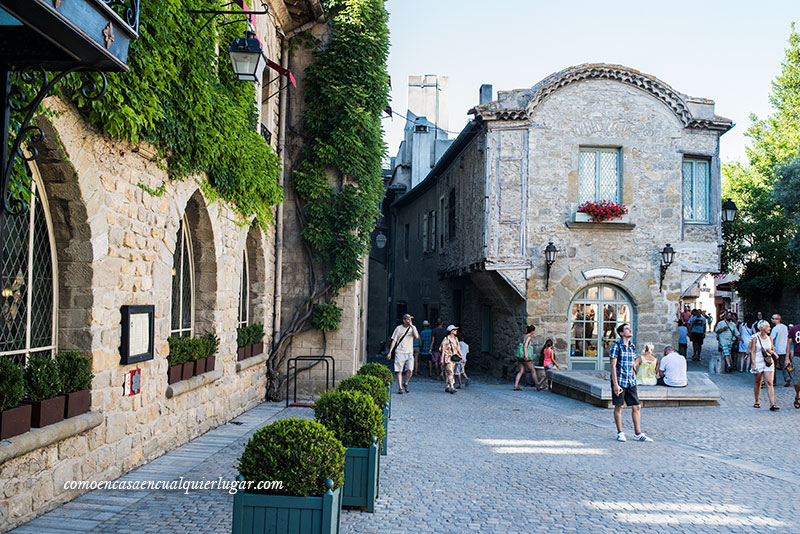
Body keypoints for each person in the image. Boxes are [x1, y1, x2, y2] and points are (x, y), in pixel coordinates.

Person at [609, 323, 653, 442]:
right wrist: (615, 384)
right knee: (619, 406)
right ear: (622, 333)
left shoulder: (632, 347)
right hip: (620, 380)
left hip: (630, 381)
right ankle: (620, 432)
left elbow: (633, 364)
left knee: (637, 406)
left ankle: (637, 433)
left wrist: (634, 376)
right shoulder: (616, 346)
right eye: (627, 329)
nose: (630, 330)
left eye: (629, 328)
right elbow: (613, 366)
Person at [750, 320, 779, 411]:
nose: (770, 328)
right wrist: (753, 363)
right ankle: (757, 401)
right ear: (762, 328)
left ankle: (772, 404)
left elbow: (771, 349)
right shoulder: (755, 338)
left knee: (769, 382)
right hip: (758, 361)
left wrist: (772, 352)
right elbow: (753, 351)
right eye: (768, 327)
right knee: (758, 382)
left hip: (768, 362)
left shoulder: (770, 339)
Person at [386, 314, 419, 394]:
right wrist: (390, 352)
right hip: (400, 352)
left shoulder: (413, 328)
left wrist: (412, 326)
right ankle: (400, 388)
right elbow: (394, 340)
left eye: (410, 319)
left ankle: (406, 382)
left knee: (410, 370)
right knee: (399, 370)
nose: (409, 320)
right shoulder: (398, 329)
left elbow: (416, 336)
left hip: (409, 352)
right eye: (408, 319)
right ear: (404, 320)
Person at [513, 325, 546, 391]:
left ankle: (516, 385)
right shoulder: (528, 337)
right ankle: (537, 385)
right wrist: (526, 356)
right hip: (525, 356)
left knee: (521, 371)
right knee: (533, 370)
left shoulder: (523, 336)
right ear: (533, 331)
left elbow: (521, 344)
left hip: (520, 355)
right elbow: (525, 346)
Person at [769, 314, 793, 387]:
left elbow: (771, 339)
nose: (771, 319)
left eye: (773, 318)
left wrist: (771, 348)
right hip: (784, 349)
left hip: (776, 349)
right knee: (783, 365)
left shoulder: (775, 329)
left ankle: (773, 381)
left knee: (773, 365)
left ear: (777, 320)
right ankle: (787, 377)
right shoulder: (785, 327)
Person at [439, 325, 462, 394]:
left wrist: (461, 355)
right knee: (450, 371)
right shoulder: (446, 339)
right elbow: (443, 350)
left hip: (454, 357)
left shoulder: (456, 339)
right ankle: (452, 386)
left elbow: (458, 348)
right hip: (447, 357)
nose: (456, 331)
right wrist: (442, 359)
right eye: (454, 330)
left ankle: (447, 386)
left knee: (448, 372)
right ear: (451, 331)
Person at [786, 320, 800, 409]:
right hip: (797, 356)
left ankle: (798, 398)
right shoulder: (794, 329)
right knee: (796, 380)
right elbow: (789, 344)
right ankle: (798, 393)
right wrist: (787, 358)